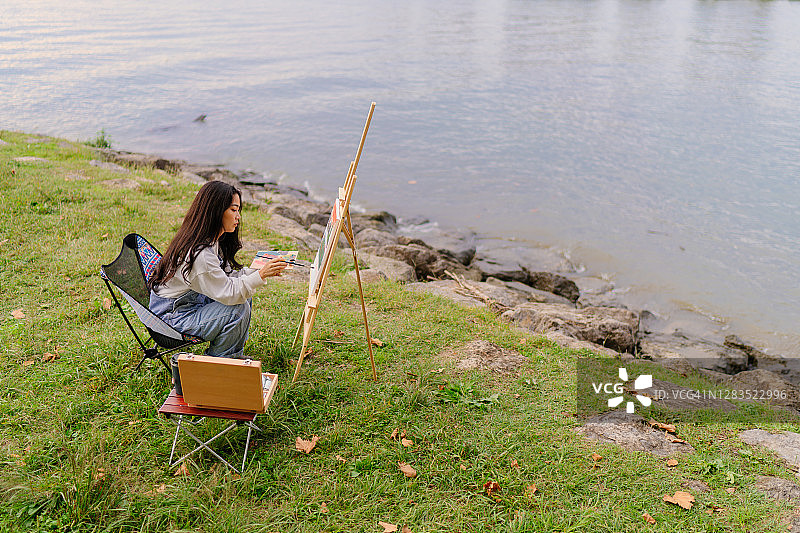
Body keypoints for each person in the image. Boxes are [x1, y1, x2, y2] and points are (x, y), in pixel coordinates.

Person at [148, 180, 287, 358]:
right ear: (216, 211)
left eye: (238, 211)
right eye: (233, 210)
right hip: (171, 320)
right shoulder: (201, 255)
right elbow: (230, 293)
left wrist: (260, 269)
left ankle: (232, 355)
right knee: (237, 308)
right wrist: (260, 275)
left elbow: (228, 278)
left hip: (189, 303)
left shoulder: (209, 239)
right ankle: (220, 365)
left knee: (244, 297)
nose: (238, 217)